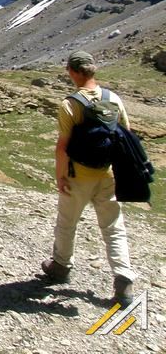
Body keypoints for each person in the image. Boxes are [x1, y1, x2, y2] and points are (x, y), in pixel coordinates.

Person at [41, 50, 136, 303]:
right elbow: (126, 135)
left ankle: (60, 267)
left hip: (77, 176)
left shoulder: (70, 104)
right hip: (107, 175)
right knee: (114, 228)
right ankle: (124, 278)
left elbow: (62, 146)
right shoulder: (114, 99)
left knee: (67, 223)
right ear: (93, 70)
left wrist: (61, 176)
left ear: (72, 72)